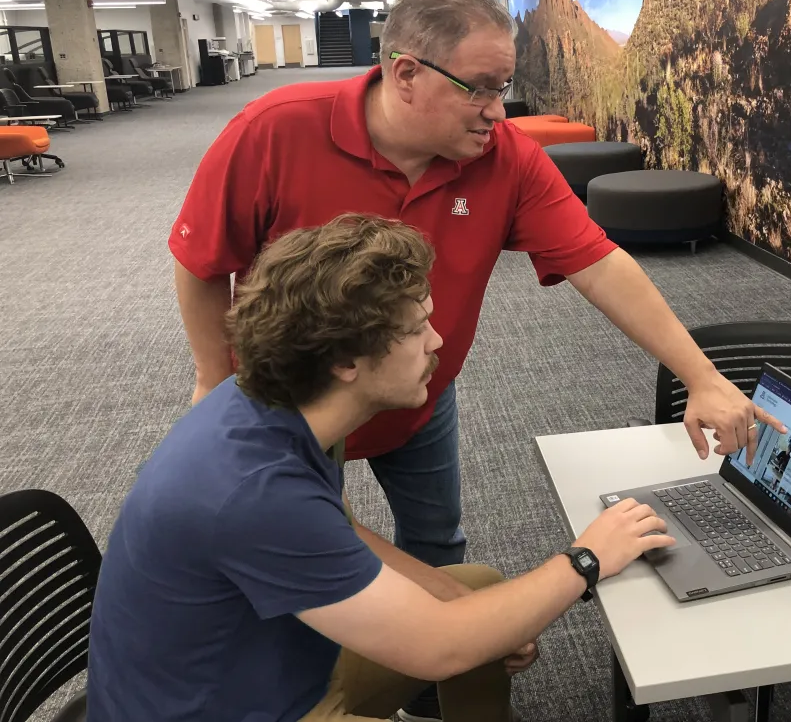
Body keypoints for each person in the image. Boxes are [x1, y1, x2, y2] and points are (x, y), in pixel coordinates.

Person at [170, 0, 784, 718]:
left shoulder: (505, 157)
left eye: (506, 86)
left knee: (437, 545)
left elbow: (600, 264)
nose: (500, 109)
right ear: (405, 75)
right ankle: (369, 662)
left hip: (415, 395)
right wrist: (212, 378)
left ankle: (433, 685)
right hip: (299, 406)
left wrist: (702, 376)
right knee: (306, 550)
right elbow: (204, 260)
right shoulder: (273, 130)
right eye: (482, 88)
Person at [88, 214, 676, 722]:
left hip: (273, 660)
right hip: (233, 708)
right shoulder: (251, 490)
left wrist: (460, 605)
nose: (437, 340)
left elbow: (337, 529)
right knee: (461, 634)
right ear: (345, 358)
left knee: (478, 594)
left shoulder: (279, 403)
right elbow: (438, 649)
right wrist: (586, 558)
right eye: (416, 328)